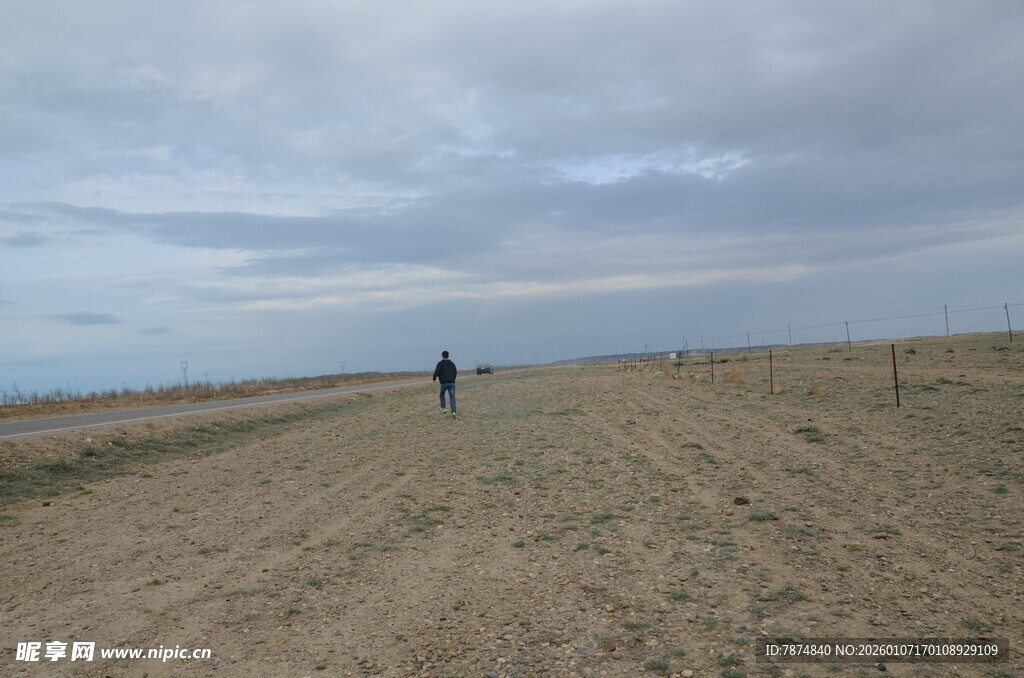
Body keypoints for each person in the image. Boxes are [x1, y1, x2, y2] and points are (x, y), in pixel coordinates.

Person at [432, 350, 457, 416]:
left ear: (442, 356)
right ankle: (454, 411)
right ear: (448, 356)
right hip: (452, 383)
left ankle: (444, 408)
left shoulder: (440, 363)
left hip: (444, 383)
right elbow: (455, 372)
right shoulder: (452, 363)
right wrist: (453, 379)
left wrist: (434, 378)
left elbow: (436, 371)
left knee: (442, 394)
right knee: (452, 397)